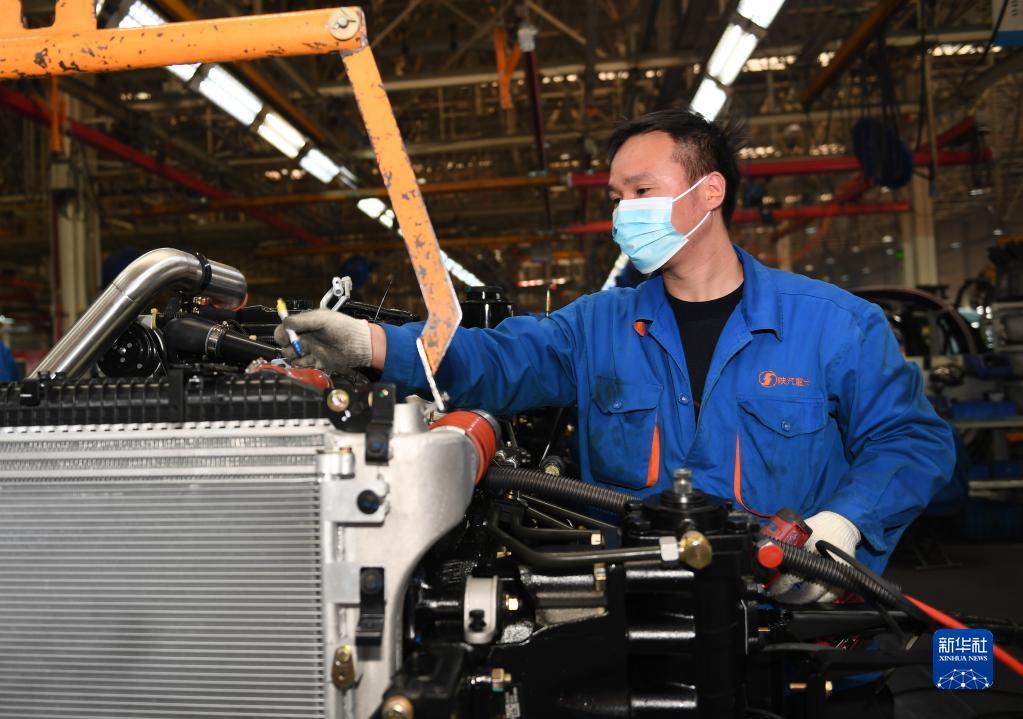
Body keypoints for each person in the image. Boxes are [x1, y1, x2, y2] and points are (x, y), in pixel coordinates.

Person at [277, 108, 955, 604]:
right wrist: (368, 342)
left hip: (791, 628)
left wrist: (840, 527)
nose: (622, 213)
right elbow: (494, 360)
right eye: (616, 197)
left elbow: (912, 440)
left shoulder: (835, 325)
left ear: (709, 192)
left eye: (642, 192)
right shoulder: (594, 326)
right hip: (636, 624)